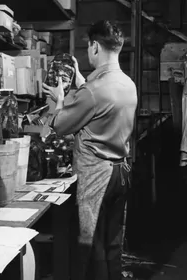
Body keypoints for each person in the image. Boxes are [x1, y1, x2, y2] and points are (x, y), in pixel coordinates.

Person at [42, 20, 138, 280]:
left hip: (97, 176)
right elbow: (98, 101)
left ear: (95, 46)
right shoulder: (127, 84)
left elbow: (60, 126)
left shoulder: (93, 92)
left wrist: (59, 100)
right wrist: (82, 80)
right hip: (120, 172)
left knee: (91, 243)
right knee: (113, 241)